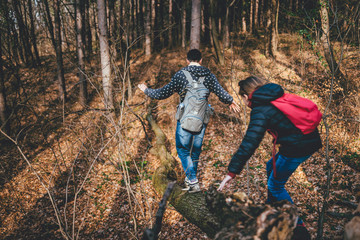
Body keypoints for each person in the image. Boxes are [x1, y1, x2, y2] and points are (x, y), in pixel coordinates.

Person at [218, 76, 322, 236]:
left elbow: (250, 142)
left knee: (275, 185)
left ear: (246, 97)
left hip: (297, 148)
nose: (244, 103)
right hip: (308, 140)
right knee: (269, 166)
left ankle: (298, 228)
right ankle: (273, 205)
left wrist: (232, 172)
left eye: (243, 99)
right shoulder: (275, 96)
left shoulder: (260, 109)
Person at [138, 49, 240, 193]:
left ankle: (192, 180)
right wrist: (230, 101)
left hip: (184, 120)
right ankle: (190, 180)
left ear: (187, 60)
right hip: (201, 121)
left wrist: (146, 90)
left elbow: (162, 93)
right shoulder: (208, 75)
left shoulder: (181, 75)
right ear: (201, 60)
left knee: (182, 150)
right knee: (195, 152)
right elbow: (219, 90)